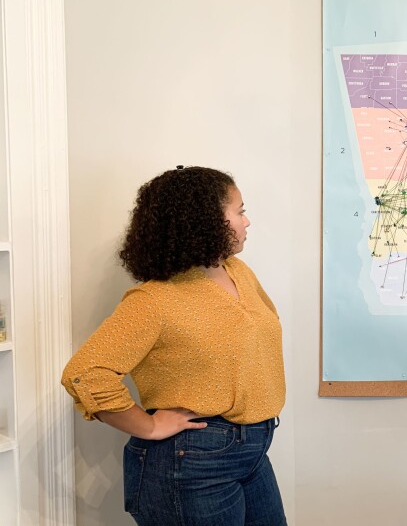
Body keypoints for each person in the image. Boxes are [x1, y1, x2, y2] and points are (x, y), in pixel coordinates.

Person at [61, 166, 287, 526]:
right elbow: (85, 375)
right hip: (193, 462)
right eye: (240, 211)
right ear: (206, 220)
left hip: (254, 452)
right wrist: (148, 427)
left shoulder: (238, 272)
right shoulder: (154, 300)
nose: (248, 221)